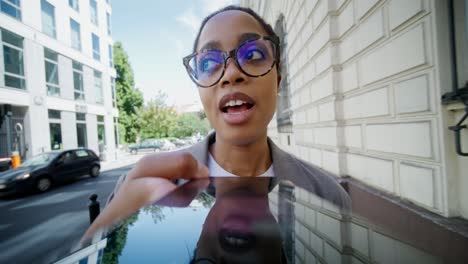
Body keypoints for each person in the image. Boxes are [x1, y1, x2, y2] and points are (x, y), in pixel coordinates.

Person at [82, 5, 350, 244]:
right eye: (209, 62)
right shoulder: (141, 188)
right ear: (199, 88)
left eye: (254, 53)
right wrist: (107, 229)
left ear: (278, 80)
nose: (231, 73)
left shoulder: (328, 197)